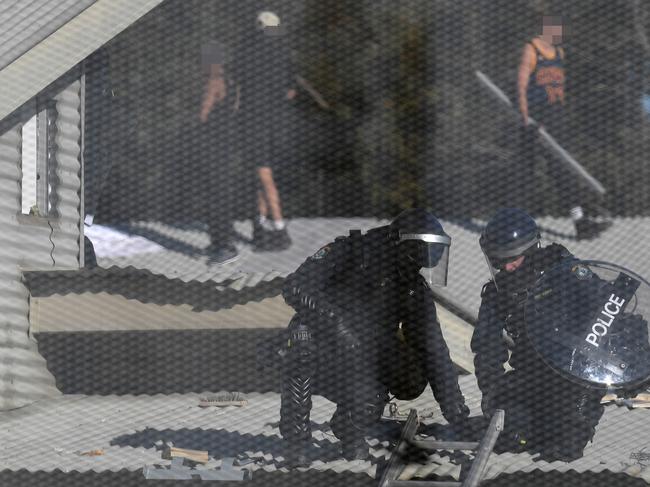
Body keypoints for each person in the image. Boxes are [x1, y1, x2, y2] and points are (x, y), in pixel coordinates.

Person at [278, 208, 470, 465]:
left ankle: (349, 428)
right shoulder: (353, 251)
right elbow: (295, 286)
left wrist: (454, 407)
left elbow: (431, 346)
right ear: (403, 243)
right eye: (420, 252)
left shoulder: (412, 287)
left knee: (397, 385)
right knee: (302, 341)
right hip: (322, 340)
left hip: (361, 354)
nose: (422, 263)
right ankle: (296, 442)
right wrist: (338, 323)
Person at [471, 208, 605, 462]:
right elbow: (486, 346)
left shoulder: (567, 272)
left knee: (565, 444)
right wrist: (492, 391)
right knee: (514, 436)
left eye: (514, 259)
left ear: (532, 250)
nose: (507, 267)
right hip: (530, 375)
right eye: (499, 261)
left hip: (575, 374)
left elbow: (606, 309)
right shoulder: (497, 292)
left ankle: (569, 426)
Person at [517, 15, 611, 240]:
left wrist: (562, 115)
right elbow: (521, 86)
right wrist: (525, 119)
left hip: (556, 116)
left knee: (562, 169)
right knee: (526, 169)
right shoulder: (531, 49)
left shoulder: (559, 53)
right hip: (534, 118)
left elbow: (560, 87)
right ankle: (517, 221)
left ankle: (580, 222)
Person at [236, 9, 296, 251]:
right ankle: (259, 228)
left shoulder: (246, 52)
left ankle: (280, 229)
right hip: (277, 125)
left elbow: (236, 83)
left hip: (254, 122)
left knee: (263, 176)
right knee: (263, 175)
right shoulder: (285, 54)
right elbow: (291, 92)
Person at [198, 39, 240, 264]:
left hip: (213, 143)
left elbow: (203, 114)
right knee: (223, 191)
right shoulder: (232, 81)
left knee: (214, 194)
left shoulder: (212, 81)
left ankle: (224, 246)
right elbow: (235, 109)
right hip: (227, 142)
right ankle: (221, 241)